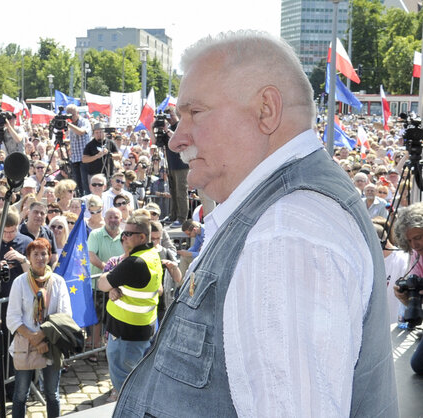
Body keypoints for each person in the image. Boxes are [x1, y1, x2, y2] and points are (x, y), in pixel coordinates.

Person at [113, 31, 397, 417]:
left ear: (266, 109)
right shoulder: (284, 216)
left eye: (195, 113)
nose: (177, 139)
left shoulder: (287, 232)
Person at [97, 214, 162, 398]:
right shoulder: (152, 255)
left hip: (125, 335)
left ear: (142, 237)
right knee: (139, 380)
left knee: (126, 387)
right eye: (122, 234)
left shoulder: (134, 262)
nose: (122, 237)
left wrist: (111, 285)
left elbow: (102, 283)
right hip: (141, 330)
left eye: (127, 234)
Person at [6, 238, 71, 418]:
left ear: (50, 256)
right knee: (20, 395)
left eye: (44, 253)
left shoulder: (58, 282)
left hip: (51, 344)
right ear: (28, 257)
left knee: (52, 394)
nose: (40, 258)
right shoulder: (19, 282)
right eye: (35, 254)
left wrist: (42, 337)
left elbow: (65, 315)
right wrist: (33, 338)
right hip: (25, 343)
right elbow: (12, 317)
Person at [390, 203, 423, 374]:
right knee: (418, 366)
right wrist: (407, 298)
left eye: (418, 237)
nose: (414, 245)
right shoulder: (417, 256)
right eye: (409, 240)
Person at [64, 104, 92, 195]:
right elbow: (74, 138)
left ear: (77, 113)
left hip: (84, 158)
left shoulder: (84, 122)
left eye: (72, 114)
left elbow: (81, 132)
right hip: (75, 158)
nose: (71, 117)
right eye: (68, 114)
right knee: (77, 184)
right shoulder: (71, 125)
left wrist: (68, 124)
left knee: (85, 183)